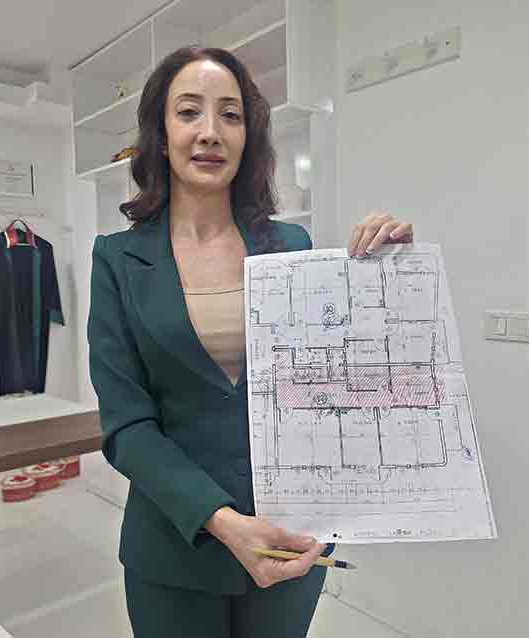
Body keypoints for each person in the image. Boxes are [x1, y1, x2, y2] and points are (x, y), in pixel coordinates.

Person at [88, 46, 413, 638]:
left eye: (231, 115)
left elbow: (334, 385)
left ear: (248, 136)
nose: (210, 131)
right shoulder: (117, 259)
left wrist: (391, 280)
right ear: (160, 133)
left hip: (291, 537)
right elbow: (126, 425)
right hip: (175, 546)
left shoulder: (291, 246)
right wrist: (223, 521)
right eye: (189, 111)